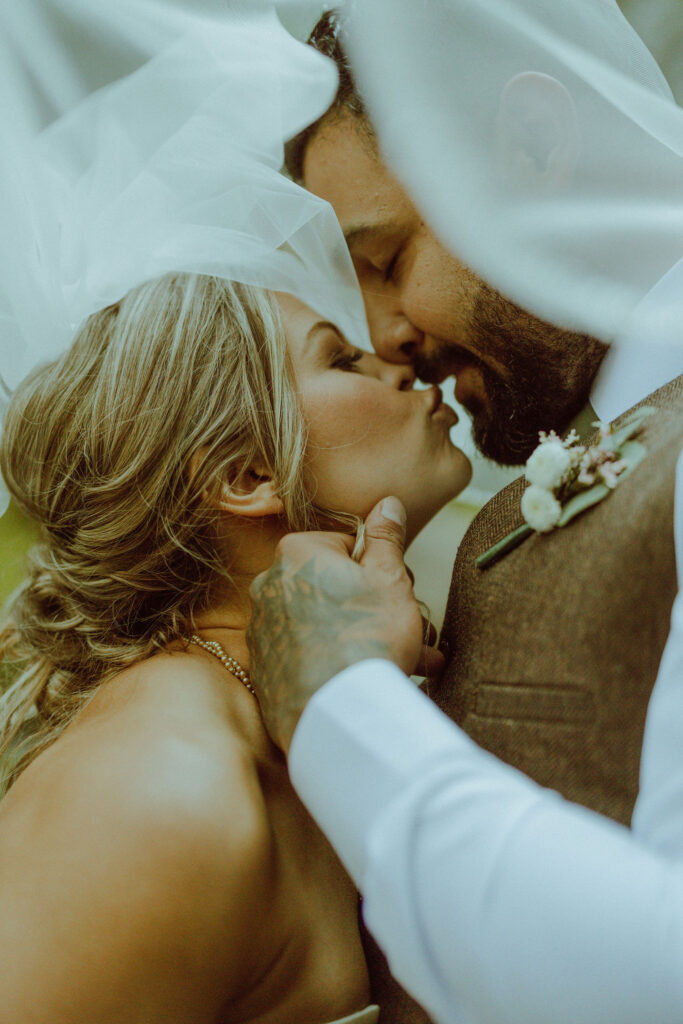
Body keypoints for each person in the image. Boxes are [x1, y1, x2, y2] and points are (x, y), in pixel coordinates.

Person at [0, 4, 468, 1020]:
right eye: (339, 358)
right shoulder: (155, 793)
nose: (399, 355)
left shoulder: (300, 716)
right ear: (246, 474)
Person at [246, 2, 683, 1022]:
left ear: (533, 145)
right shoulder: (588, 441)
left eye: (390, 258)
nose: (385, 336)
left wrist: (339, 702)